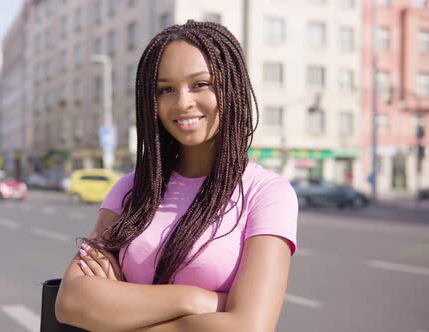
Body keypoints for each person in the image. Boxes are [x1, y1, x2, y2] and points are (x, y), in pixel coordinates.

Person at [56, 20, 298, 332]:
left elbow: (248, 327)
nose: (183, 102)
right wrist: (198, 301)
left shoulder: (267, 194)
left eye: (200, 84)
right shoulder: (131, 189)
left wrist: (116, 316)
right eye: (166, 89)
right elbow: (72, 301)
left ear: (231, 87)